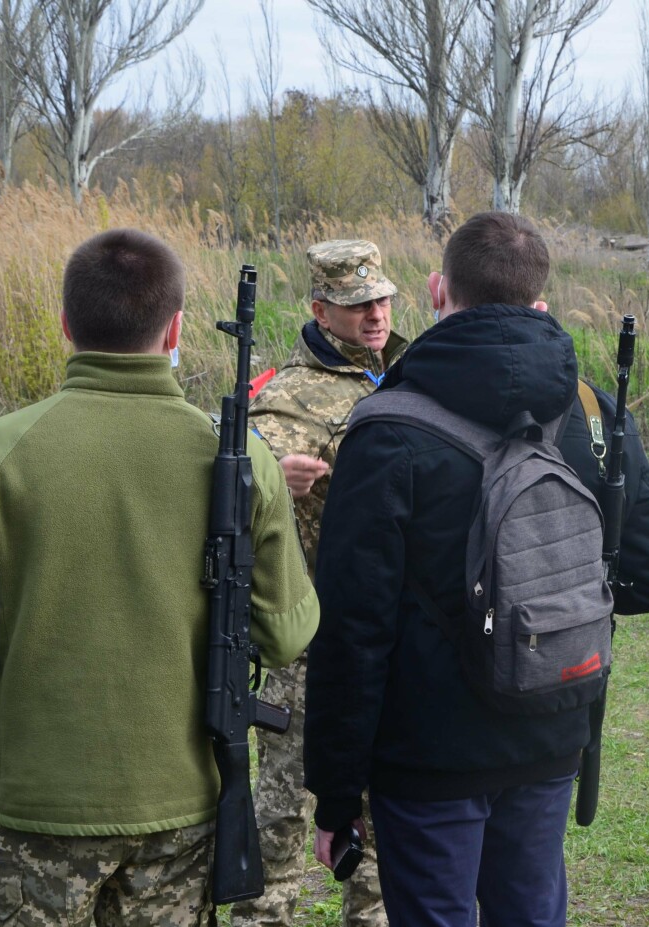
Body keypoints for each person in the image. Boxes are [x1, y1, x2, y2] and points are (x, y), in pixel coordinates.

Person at [0, 228, 320, 925]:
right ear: (177, 326)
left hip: (34, 810)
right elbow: (285, 633)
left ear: (66, 324)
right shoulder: (241, 458)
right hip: (181, 812)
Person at [304, 211, 649, 927]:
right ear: (540, 301)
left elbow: (354, 630)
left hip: (427, 754)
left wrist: (334, 792)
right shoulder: (593, 412)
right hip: (551, 727)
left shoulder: (386, 428)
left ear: (436, 289)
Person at [238, 239, 408, 927]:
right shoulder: (285, 395)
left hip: (388, 636)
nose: (374, 315)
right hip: (309, 643)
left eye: (381, 299)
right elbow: (241, 477)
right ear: (320, 310)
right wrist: (275, 477)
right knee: (281, 812)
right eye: (356, 304)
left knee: (385, 817)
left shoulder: (409, 372)